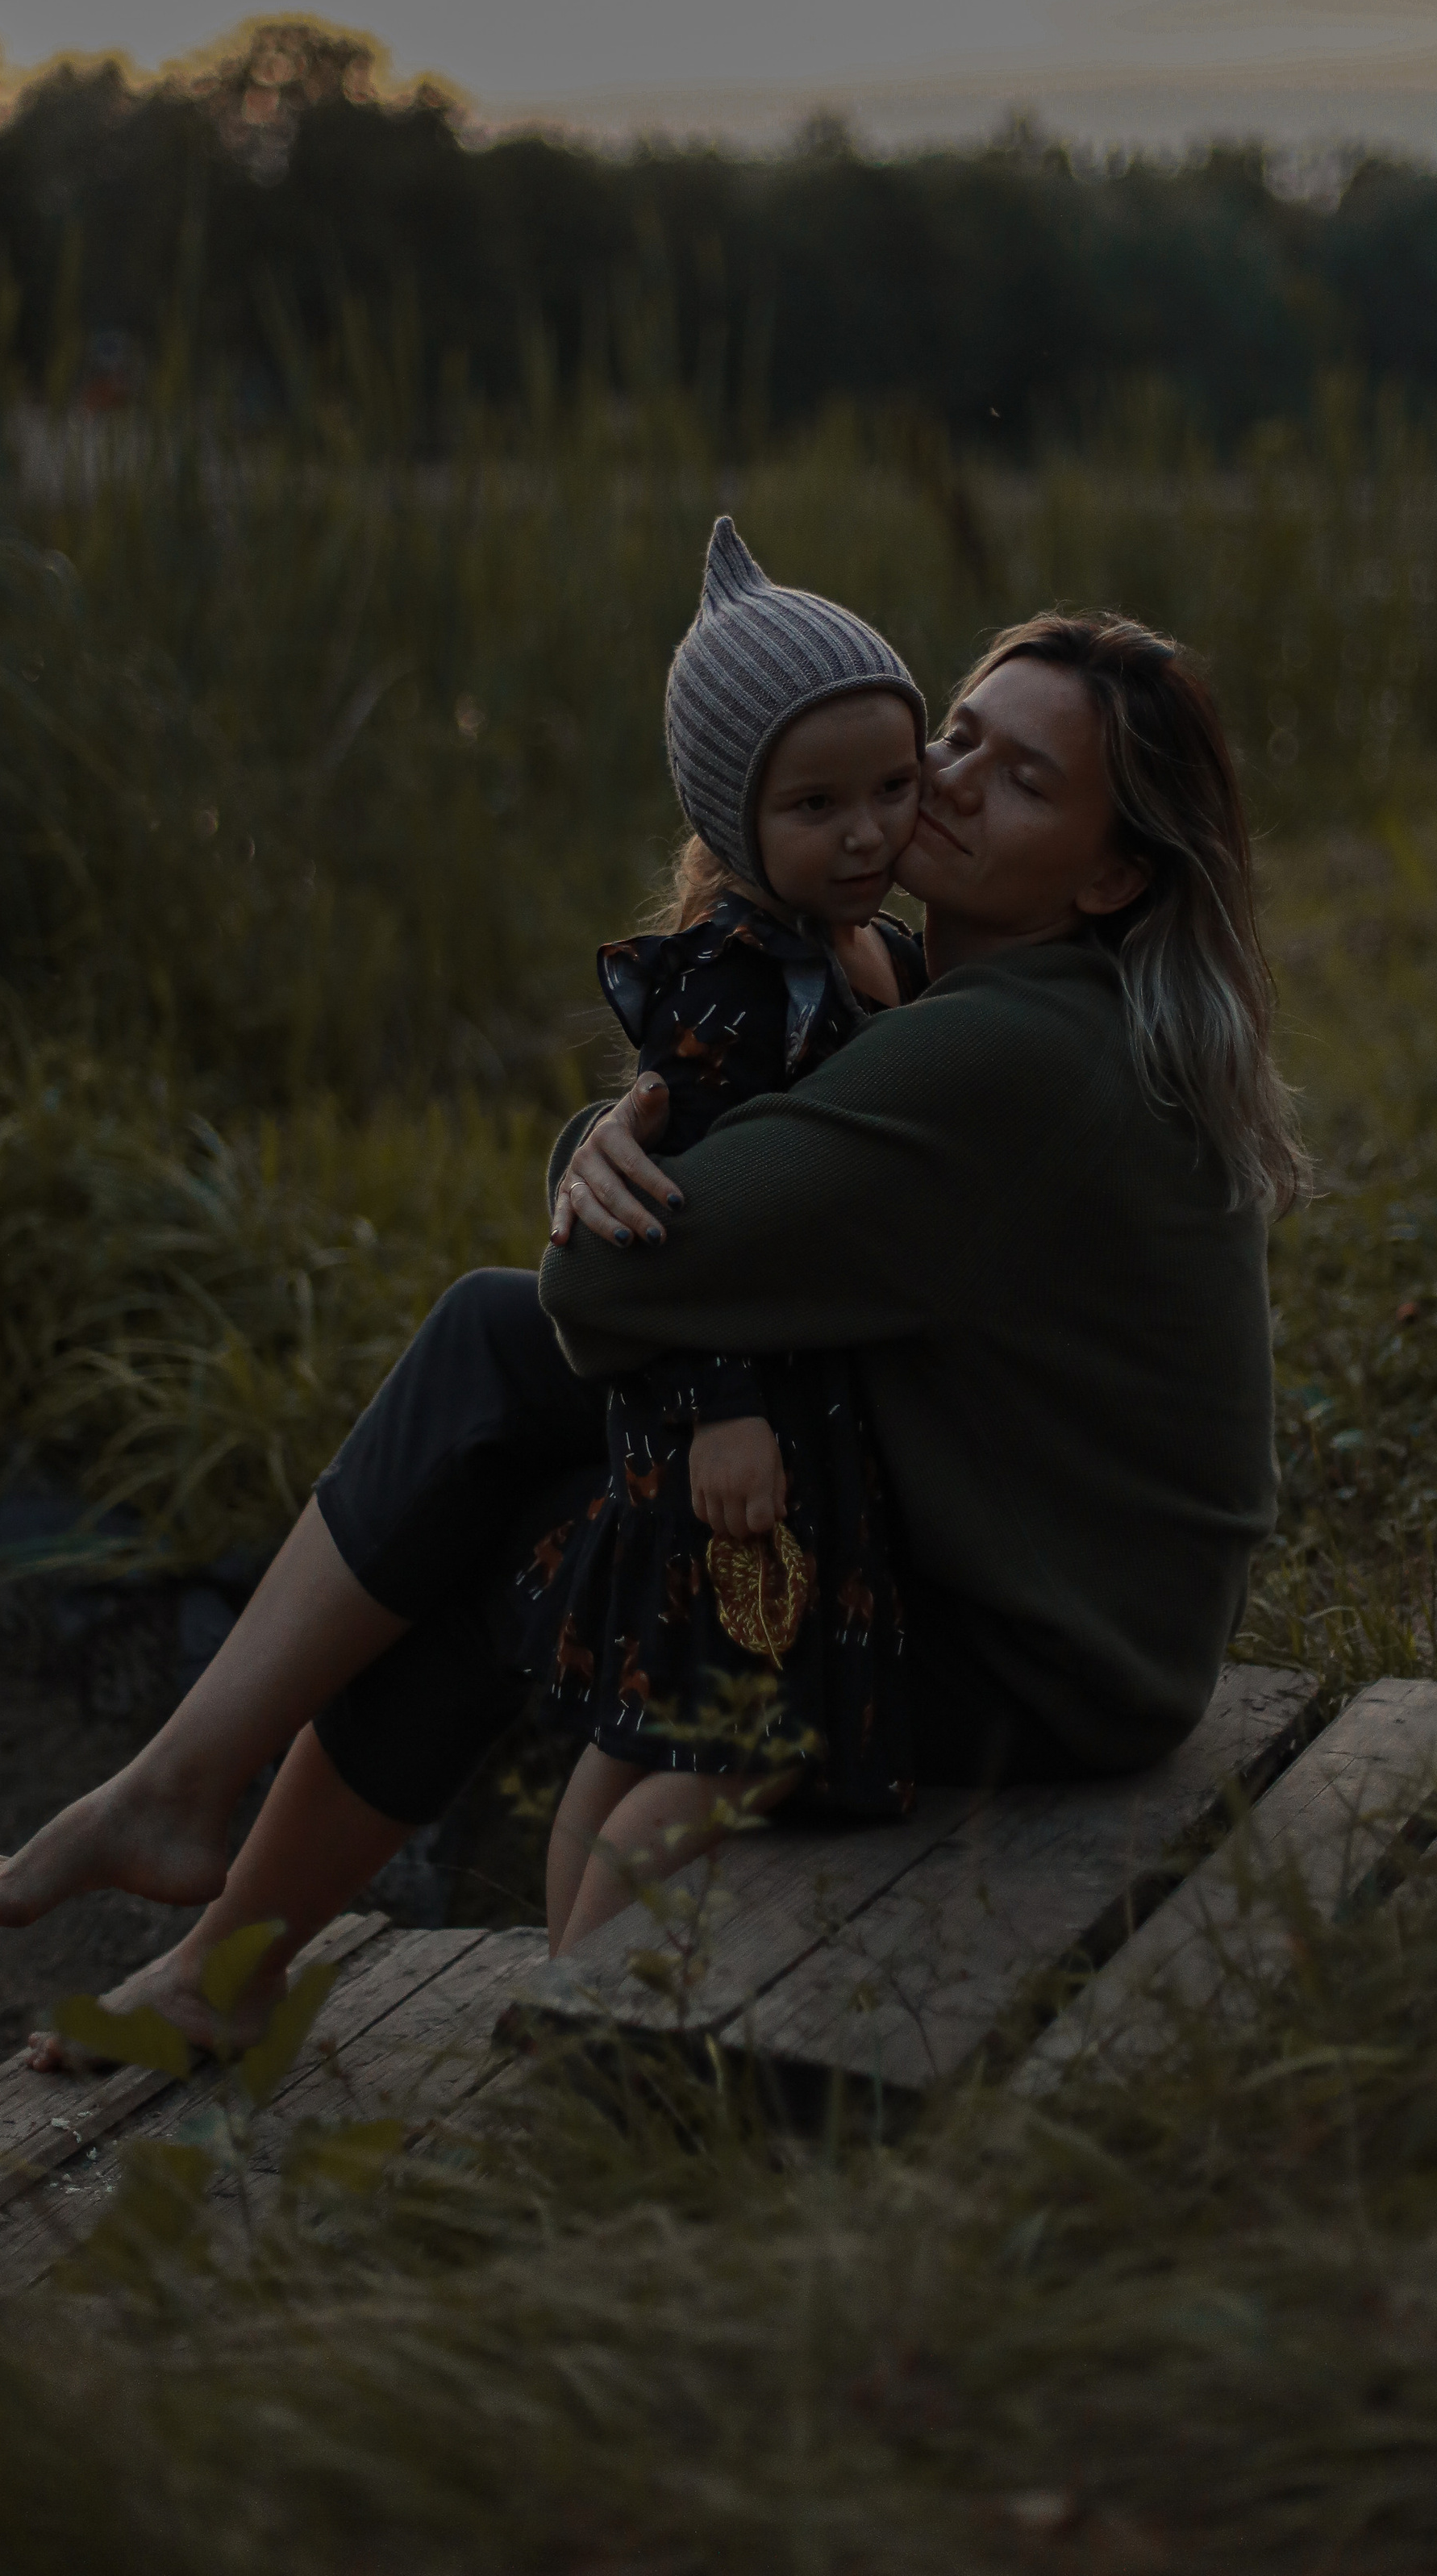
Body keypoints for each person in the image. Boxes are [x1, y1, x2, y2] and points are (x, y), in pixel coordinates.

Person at [0, 600, 1303, 2066]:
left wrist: (597, 1155)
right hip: (1068, 1597)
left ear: (1111, 872)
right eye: (960, 733)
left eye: (1025, 780)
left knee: (522, 1484)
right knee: (493, 1347)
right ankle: (199, 1864)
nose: (953, 781)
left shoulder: (1005, 1050)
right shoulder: (990, 992)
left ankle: (220, 1909)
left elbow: (613, 1284)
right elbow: (716, 1202)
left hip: (1041, 1661)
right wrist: (609, 1146)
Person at [522, 519, 927, 1952]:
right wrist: (725, 1410)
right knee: (736, 1737)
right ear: (729, 823)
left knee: (659, 1720)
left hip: (787, 1414)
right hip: (740, 1428)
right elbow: (673, 1217)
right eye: (818, 805)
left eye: (895, 785)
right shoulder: (735, 986)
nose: (870, 830)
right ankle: (576, 1993)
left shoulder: (876, 947)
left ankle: (555, 1974)